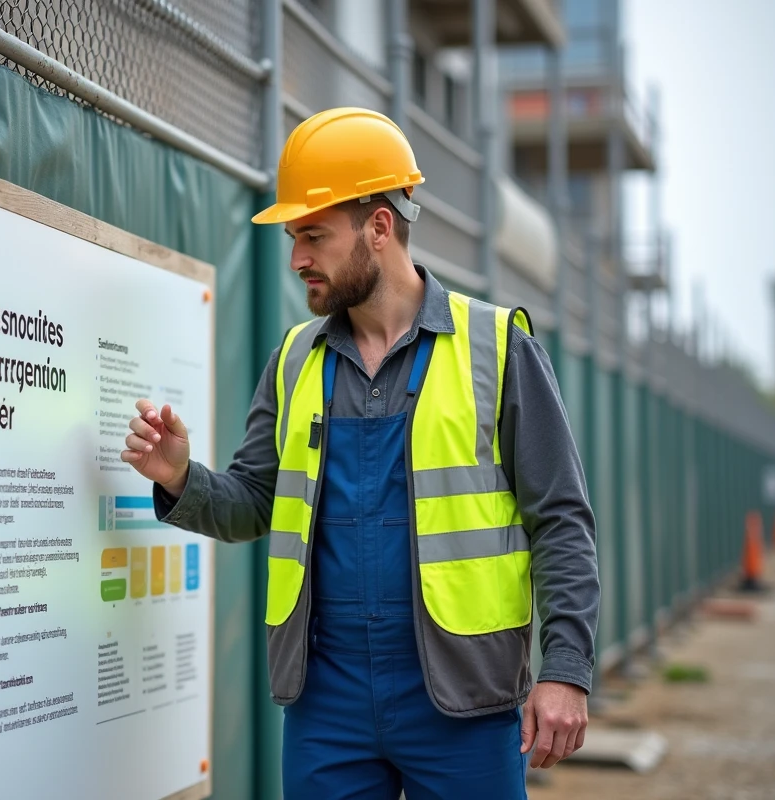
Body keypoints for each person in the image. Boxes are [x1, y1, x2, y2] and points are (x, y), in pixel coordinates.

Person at [121, 107, 600, 799]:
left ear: (379, 227)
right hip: (327, 705)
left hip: (465, 703)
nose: (297, 259)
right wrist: (180, 479)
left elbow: (561, 519)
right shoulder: (294, 361)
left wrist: (566, 668)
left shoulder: (497, 348)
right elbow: (257, 503)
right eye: (293, 238)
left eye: (313, 235)